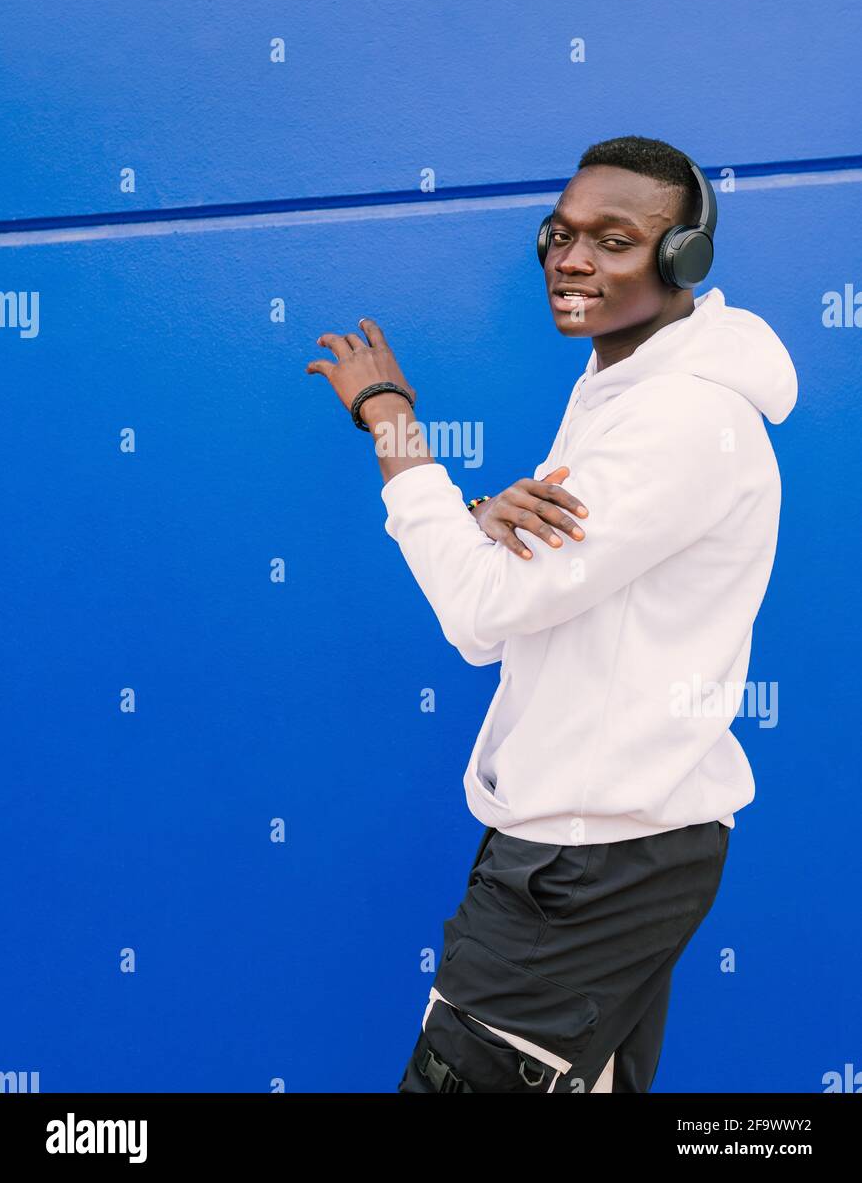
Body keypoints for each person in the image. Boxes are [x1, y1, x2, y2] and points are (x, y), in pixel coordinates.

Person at [305, 135, 797, 1093]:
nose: (573, 260)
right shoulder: (626, 393)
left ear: (683, 256)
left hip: (587, 863)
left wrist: (391, 419)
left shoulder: (679, 421)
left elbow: (480, 615)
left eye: (614, 239)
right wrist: (489, 519)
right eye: (561, 235)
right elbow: (552, 585)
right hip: (609, 843)